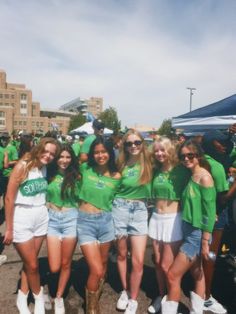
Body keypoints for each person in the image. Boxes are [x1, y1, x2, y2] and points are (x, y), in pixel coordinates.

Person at [3, 137, 59, 314]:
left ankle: (22, 296)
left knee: (30, 263)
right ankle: (38, 297)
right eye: (46, 151)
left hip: (41, 215)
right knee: (33, 266)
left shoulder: (44, 168)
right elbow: (9, 198)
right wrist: (9, 228)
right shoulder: (23, 165)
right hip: (22, 216)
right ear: (39, 148)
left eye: (52, 154)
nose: (48, 156)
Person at [162, 139, 216, 314]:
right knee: (197, 272)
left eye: (190, 155)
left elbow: (210, 212)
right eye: (183, 156)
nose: (186, 159)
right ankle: (197, 311)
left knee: (172, 275)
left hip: (197, 234)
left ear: (198, 155)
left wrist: (205, 241)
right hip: (187, 229)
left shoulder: (205, 178)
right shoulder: (190, 175)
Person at [77, 136, 121, 314]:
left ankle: (96, 293)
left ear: (110, 153)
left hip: (106, 222)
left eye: (103, 151)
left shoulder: (117, 176)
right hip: (85, 222)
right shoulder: (84, 168)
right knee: (95, 268)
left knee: (102, 264)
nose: (100, 155)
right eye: (96, 152)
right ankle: (92, 307)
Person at [148, 137, 190, 314]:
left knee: (167, 266)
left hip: (173, 220)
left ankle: (173, 302)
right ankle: (161, 295)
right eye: (156, 150)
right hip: (156, 218)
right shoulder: (155, 171)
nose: (159, 153)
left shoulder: (181, 170)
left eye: (162, 150)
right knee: (157, 262)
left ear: (170, 151)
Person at [112, 129, 153, 314]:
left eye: (137, 142)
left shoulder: (150, 163)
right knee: (121, 255)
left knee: (137, 260)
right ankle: (125, 290)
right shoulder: (120, 163)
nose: (134, 146)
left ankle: (133, 298)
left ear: (143, 144)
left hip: (140, 212)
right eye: (129, 143)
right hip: (119, 209)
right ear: (124, 146)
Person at [46, 144, 80, 314]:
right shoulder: (49, 174)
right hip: (52, 220)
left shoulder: (76, 176)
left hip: (70, 220)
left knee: (66, 263)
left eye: (68, 157)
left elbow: (82, 200)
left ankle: (59, 297)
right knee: (54, 267)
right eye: (61, 156)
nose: (64, 160)